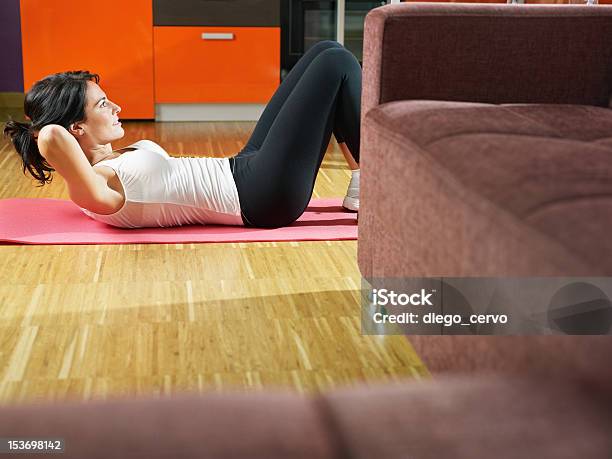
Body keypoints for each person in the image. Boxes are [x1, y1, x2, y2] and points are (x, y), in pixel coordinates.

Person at [3, 40, 362, 229]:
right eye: (102, 105)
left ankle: (364, 180)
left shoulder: (109, 165)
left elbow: (57, 133)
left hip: (243, 169)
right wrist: (43, 130)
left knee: (326, 50)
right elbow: (51, 136)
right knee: (337, 63)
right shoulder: (99, 186)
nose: (117, 108)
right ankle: (375, 182)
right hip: (260, 197)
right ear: (75, 128)